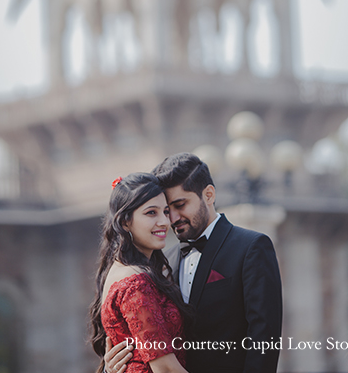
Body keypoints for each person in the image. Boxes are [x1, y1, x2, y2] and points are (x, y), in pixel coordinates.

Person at [105, 153, 282, 373]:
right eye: (167, 210)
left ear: (208, 195)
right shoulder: (164, 260)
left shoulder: (251, 247)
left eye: (180, 205)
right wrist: (112, 370)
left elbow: (264, 339)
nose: (172, 219)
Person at [90, 172, 193, 373]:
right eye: (151, 213)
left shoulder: (121, 269)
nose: (164, 222)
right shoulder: (135, 282)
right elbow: (165, 368)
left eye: (165, 212)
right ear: (125, 221)